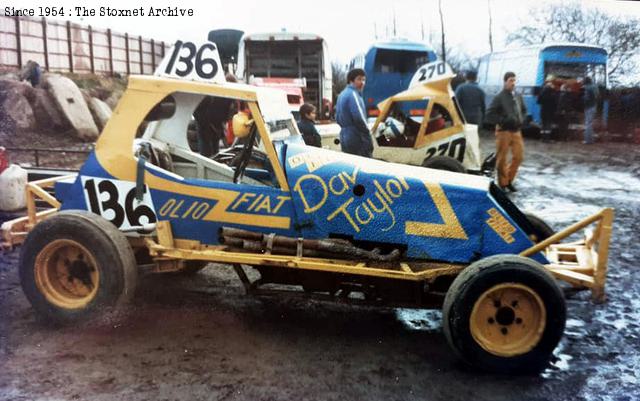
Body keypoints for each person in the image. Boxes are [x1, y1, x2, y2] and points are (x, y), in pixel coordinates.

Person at [485, 71, 527, 193]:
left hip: (516, 131)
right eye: (510, 80)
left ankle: (509, 180)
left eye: (514, 80)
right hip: (503, 131)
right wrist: (503, 121)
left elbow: (523, 110)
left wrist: (521, 119)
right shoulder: (499, 97)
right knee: (502, 158)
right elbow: (489, 114)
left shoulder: (518, 96)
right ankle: (503, 184)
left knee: (518, 157)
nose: (513, 83)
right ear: (505, 82)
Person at [193, 73, 238, 157]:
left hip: (215, 128)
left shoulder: (227, 97)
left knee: (214, 154)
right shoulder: (212, 94)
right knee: (206, 154)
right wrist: (207, 124)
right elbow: (197, 110)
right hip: (205, 127)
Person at [335, 68, 373, 157]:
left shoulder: (342, 94)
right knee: (364, 164)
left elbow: (336, 117)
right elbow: (359, 117)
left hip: (344, 135)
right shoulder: (353, 94)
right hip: (356, 135)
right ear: (351, 80)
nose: (362, 83)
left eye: (364, 80)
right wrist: (368, 132)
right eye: (359, 79)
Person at [537, 75, 559, 142]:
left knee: (543, 125)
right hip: (549, 111)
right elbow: (555, 101)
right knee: (548, 125)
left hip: (543, 110)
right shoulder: (552, 91)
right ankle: (547, 139)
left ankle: (543, 138)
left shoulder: (542, 90)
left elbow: (539, 101)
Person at [582, 76, 599, 144]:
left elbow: (586, 98)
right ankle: (591, 140)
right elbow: (597, 96)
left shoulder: (587, 88)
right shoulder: (595, 87)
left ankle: (588, 140)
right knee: (590, 123)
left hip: (588, 107)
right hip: (594, 106)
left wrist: (582, 99)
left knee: (588, 124)